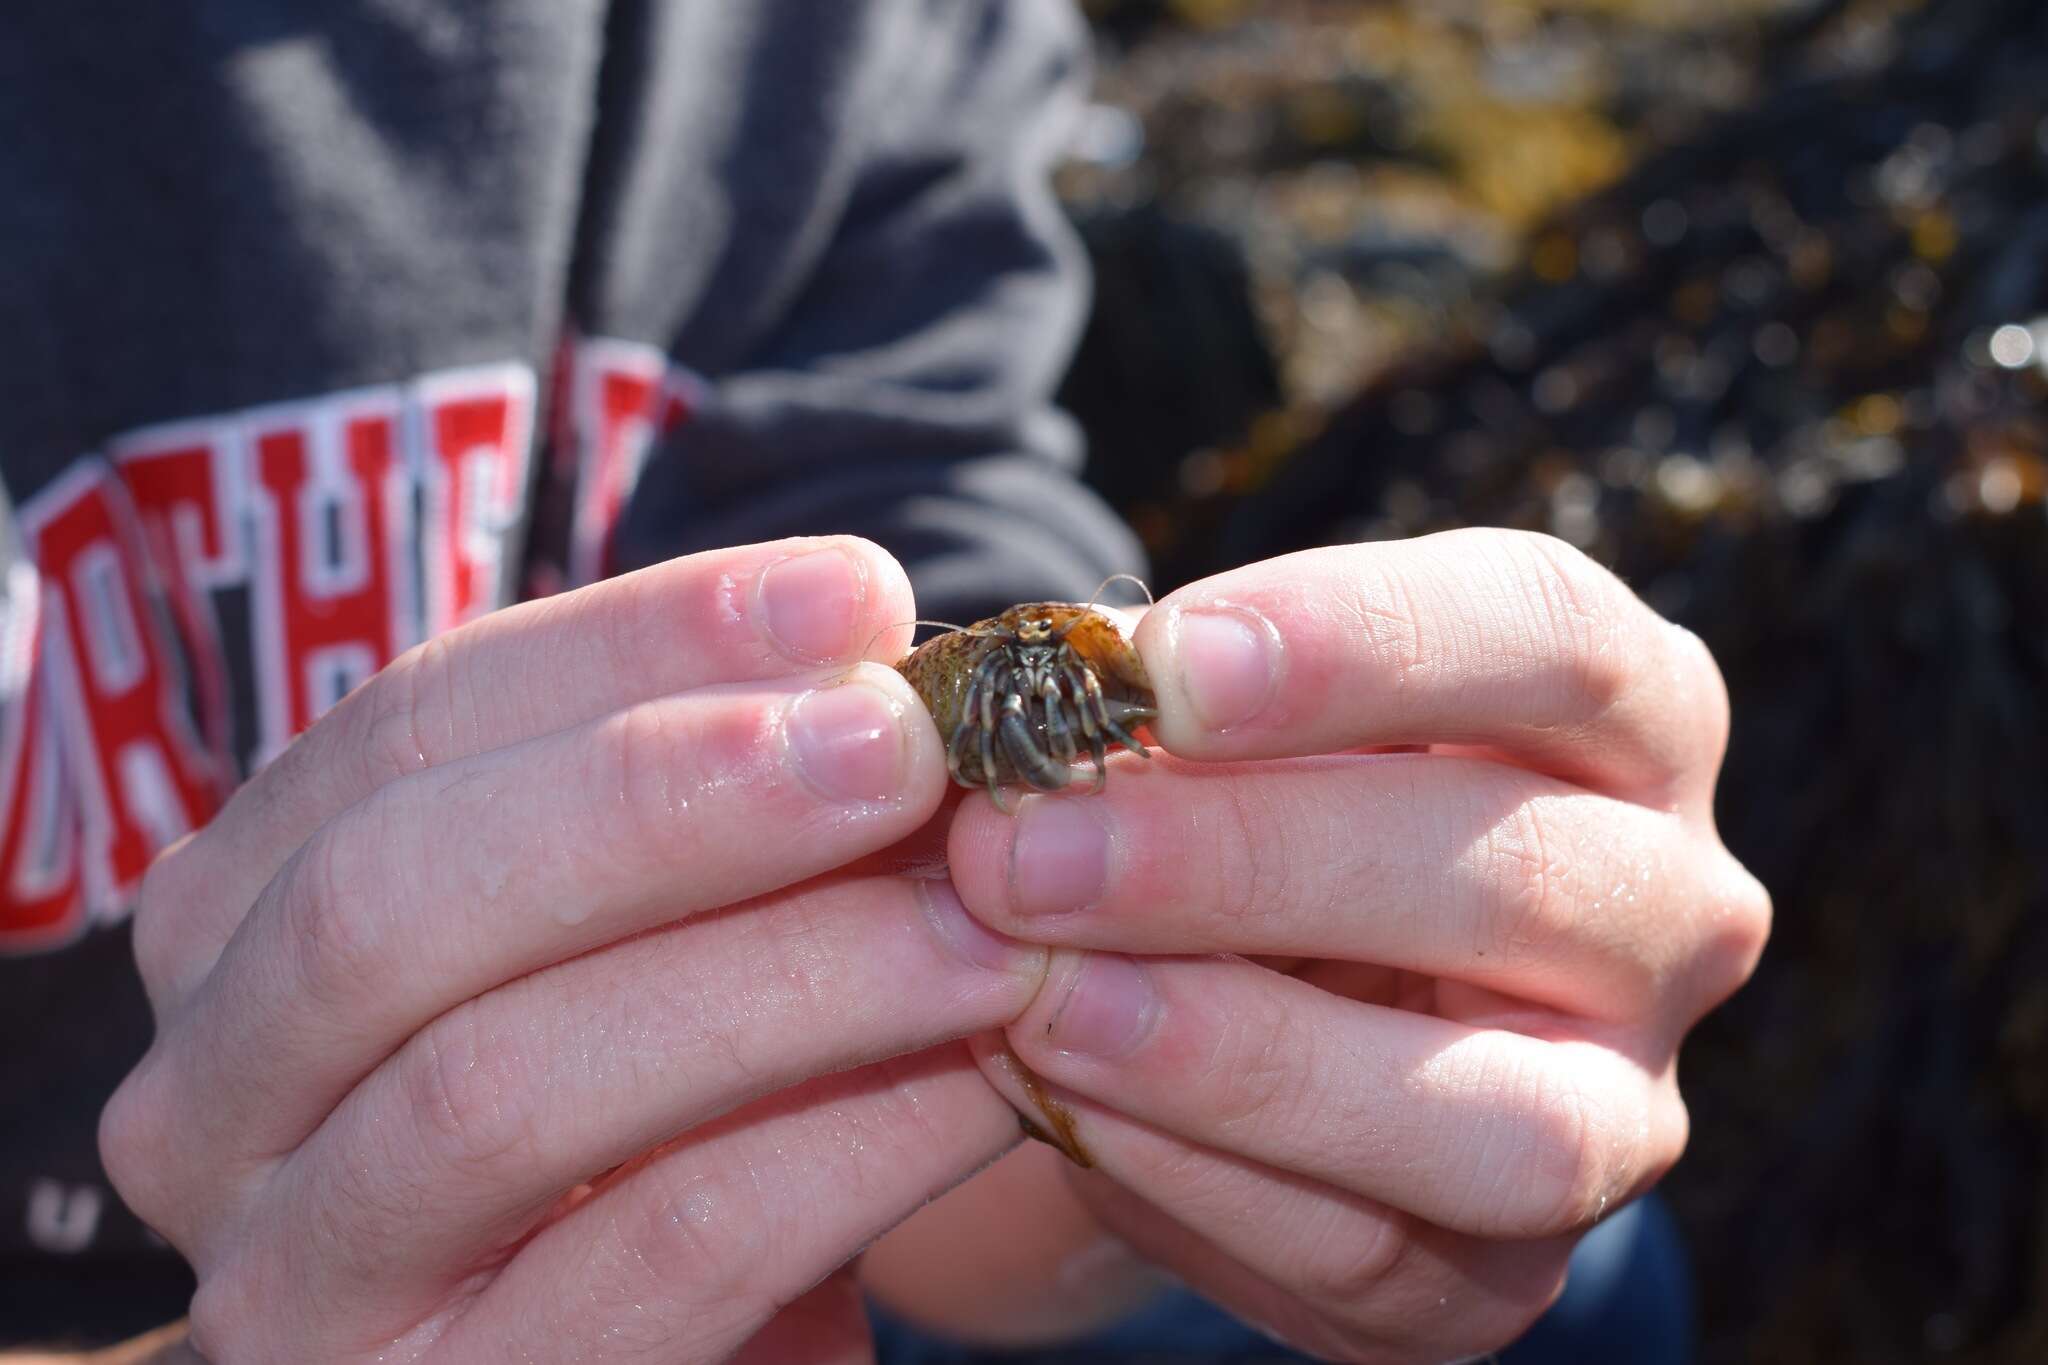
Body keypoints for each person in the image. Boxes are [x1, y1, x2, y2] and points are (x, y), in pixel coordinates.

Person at [0, 2, 1769, 1360]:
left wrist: (1208, 1048)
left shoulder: (825, 49)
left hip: (802, 1101)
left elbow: (940, 543)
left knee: (1556, 1254)